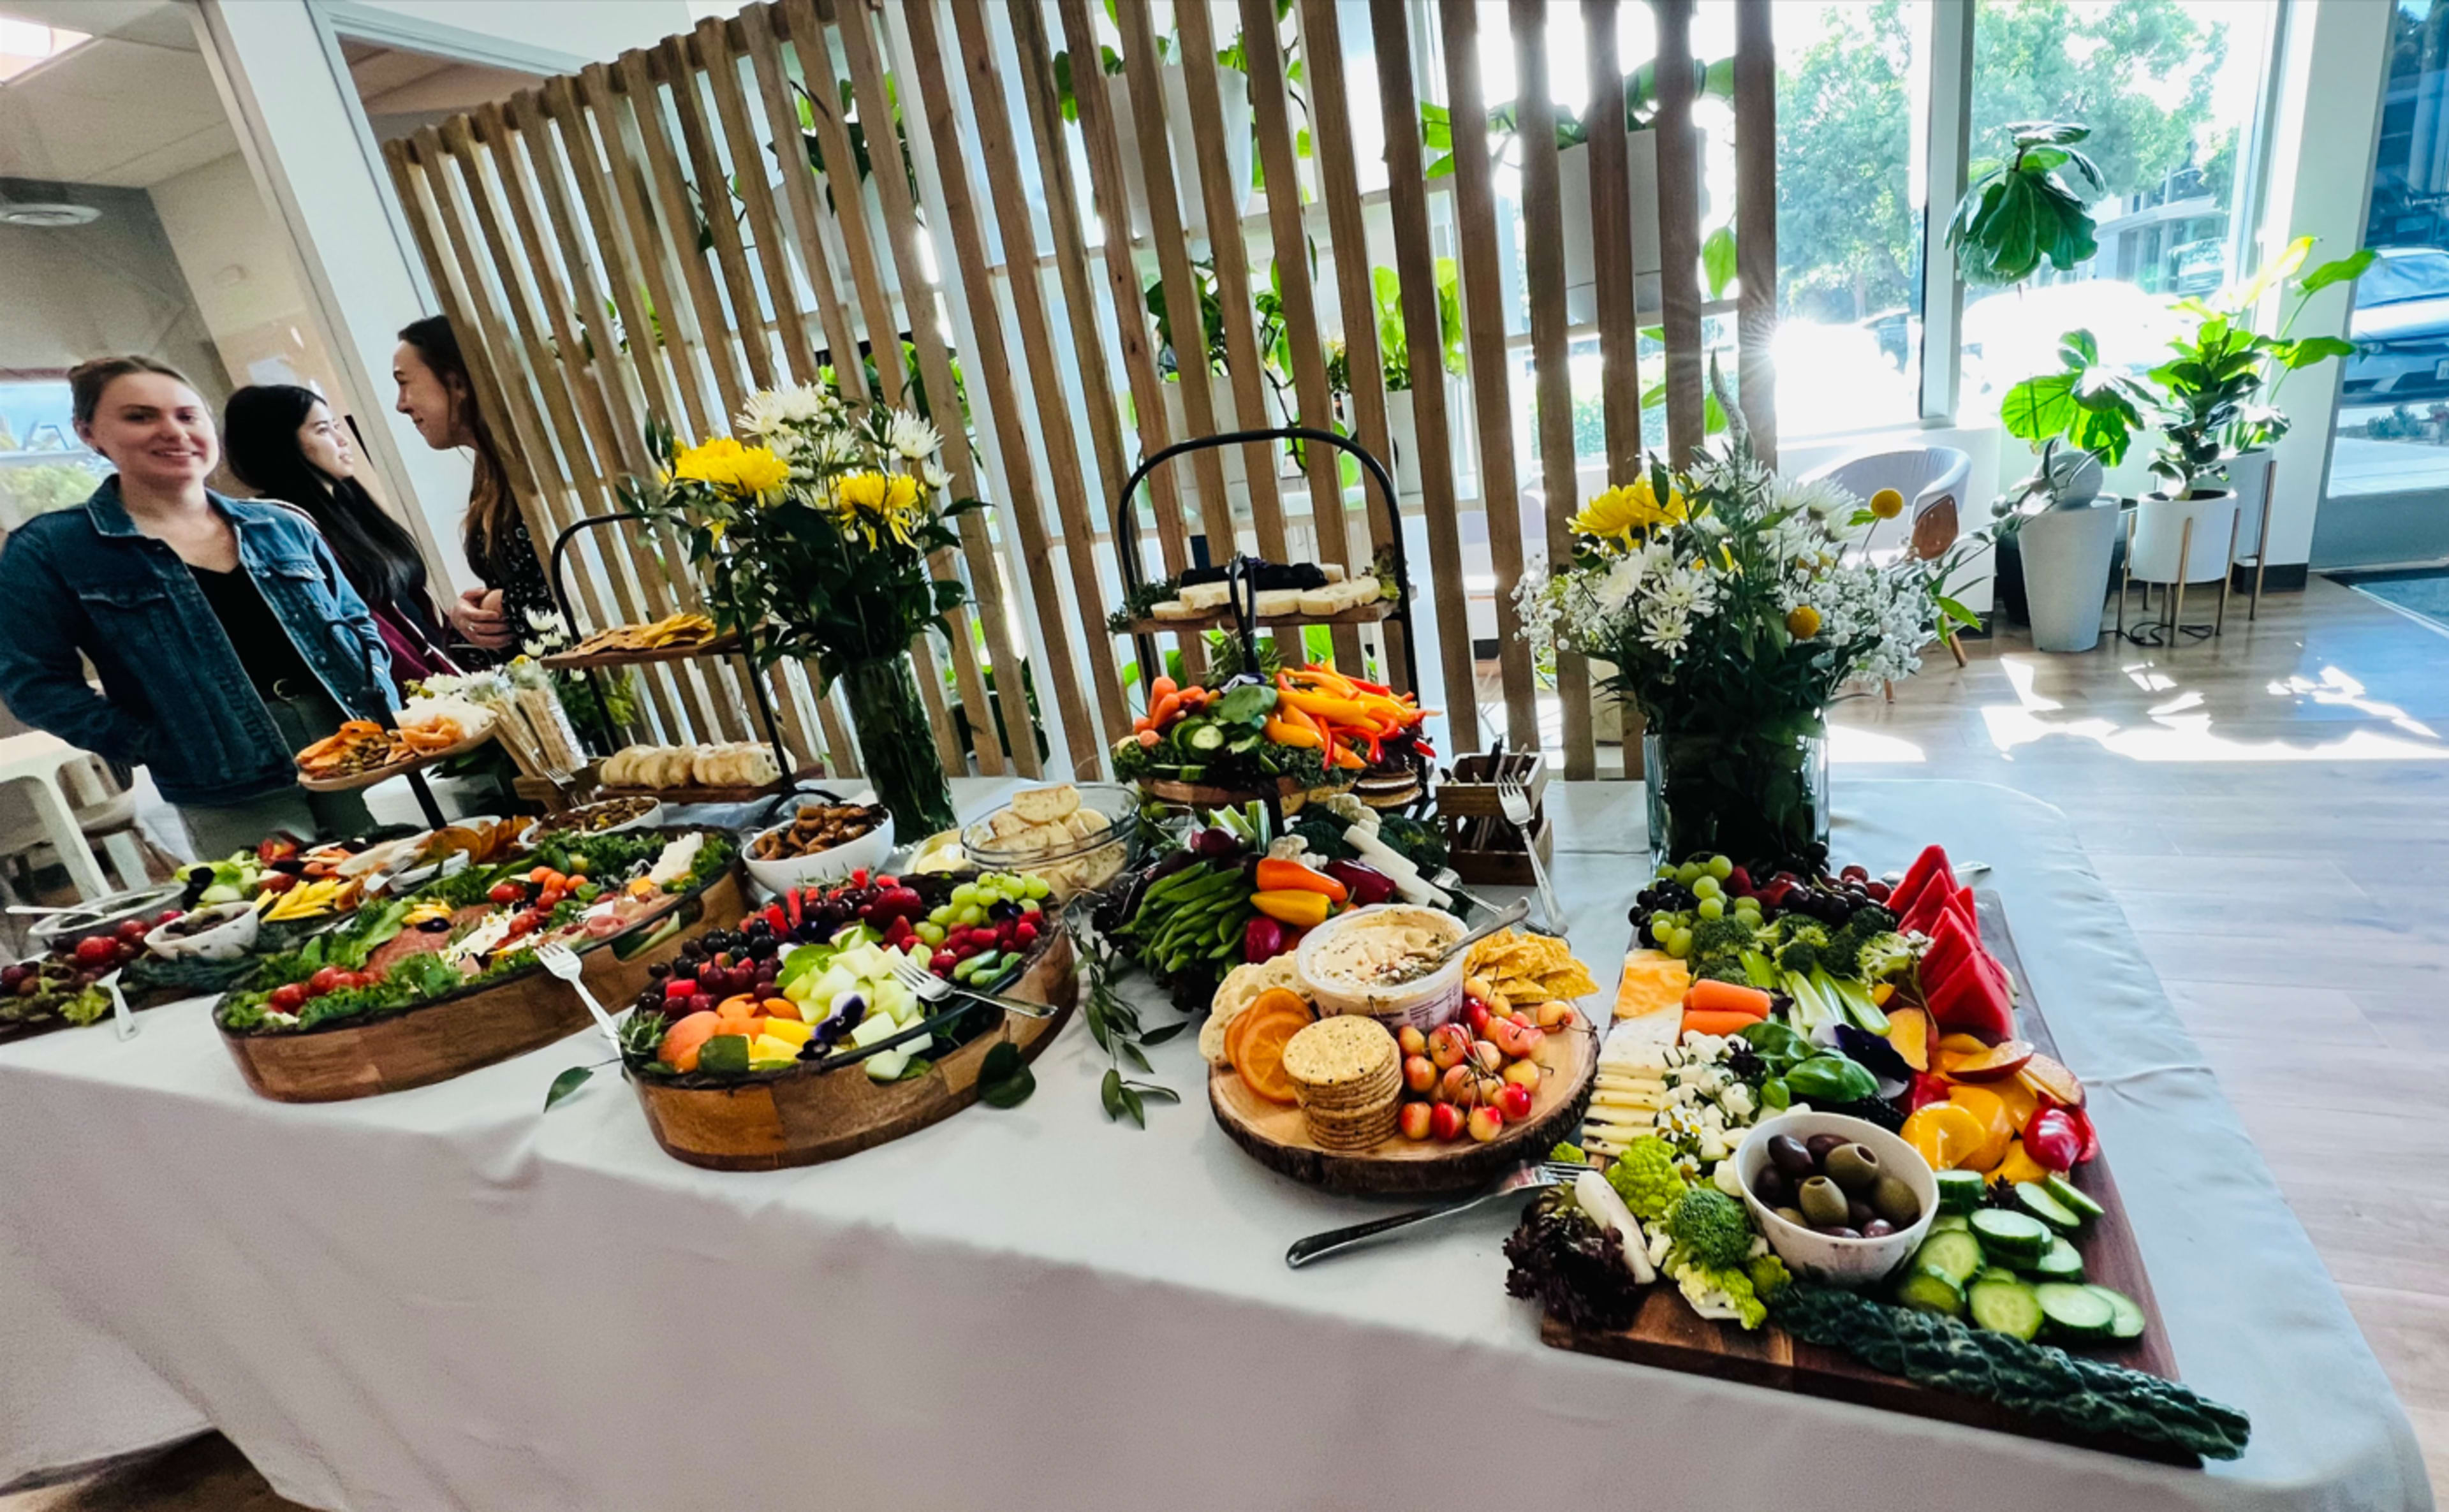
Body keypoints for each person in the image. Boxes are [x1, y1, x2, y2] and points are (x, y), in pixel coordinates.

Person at [0, 356, 390, 858]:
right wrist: (151, 741)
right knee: (288, 899)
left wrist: (381, 699)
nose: (173, 431)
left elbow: (357, 621)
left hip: (358, 745)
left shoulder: (282, 525)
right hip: (223, 774)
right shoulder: (52, 549)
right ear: (88, 432)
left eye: (188, 416)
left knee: (414, 874)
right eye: (140, 416)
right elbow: (34, 684)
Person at [222, 384, 458, 697]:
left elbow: (407, 600)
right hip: (402, 694)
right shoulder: (282, 528)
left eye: (336, 425)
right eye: (323, 430)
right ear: (279, 444)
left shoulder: (348, 505)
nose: (342, 439)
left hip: (435, 677)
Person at [391, 314, 558, 665]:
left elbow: (583, 583)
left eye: (404, 383)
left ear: (456, 382)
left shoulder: (543, 467)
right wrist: (470, 611)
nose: (401, 404)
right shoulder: (490, 472)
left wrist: (501, 603)